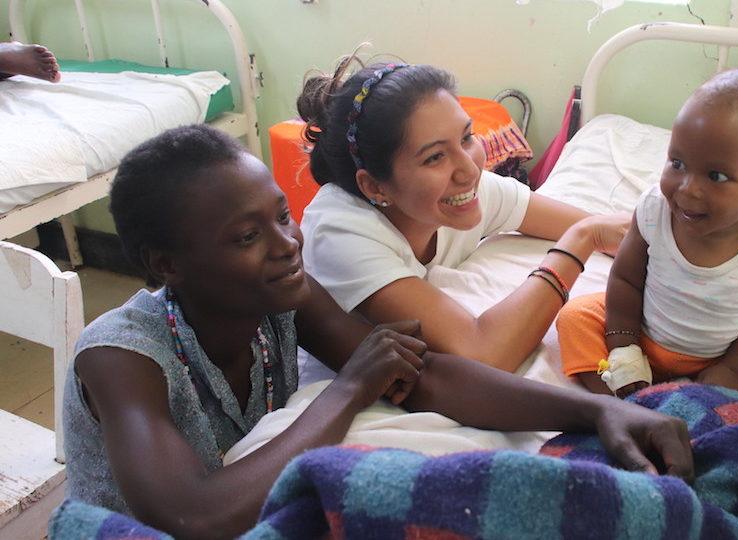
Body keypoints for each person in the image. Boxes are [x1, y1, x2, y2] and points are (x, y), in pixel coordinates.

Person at [62, 124, 692, 539]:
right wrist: (348, 390)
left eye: (282, 215)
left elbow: (418, 376)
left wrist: (593, 413)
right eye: (248, 236)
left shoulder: (283, 293)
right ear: (165, 265)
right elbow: (191, 516)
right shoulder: (123, 357)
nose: (287, 244)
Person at [295, 57, 628, 376]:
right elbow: (484, 353)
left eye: (466, 137)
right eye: (435, 157)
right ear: (375, 186)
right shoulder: (340, 232)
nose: (470, 169)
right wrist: (580, 241)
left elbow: (611, 231)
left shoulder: (464, 192)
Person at [557, 67, 738, 399]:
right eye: (677, 163)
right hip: (642, 337)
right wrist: (623, 343)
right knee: (576, 317)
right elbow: (625, 281)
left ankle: (717, 407)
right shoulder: (653, 212)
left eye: (716, 176)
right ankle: (613, 396)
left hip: (722, 357)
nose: (688, 191)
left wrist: (732, 369)